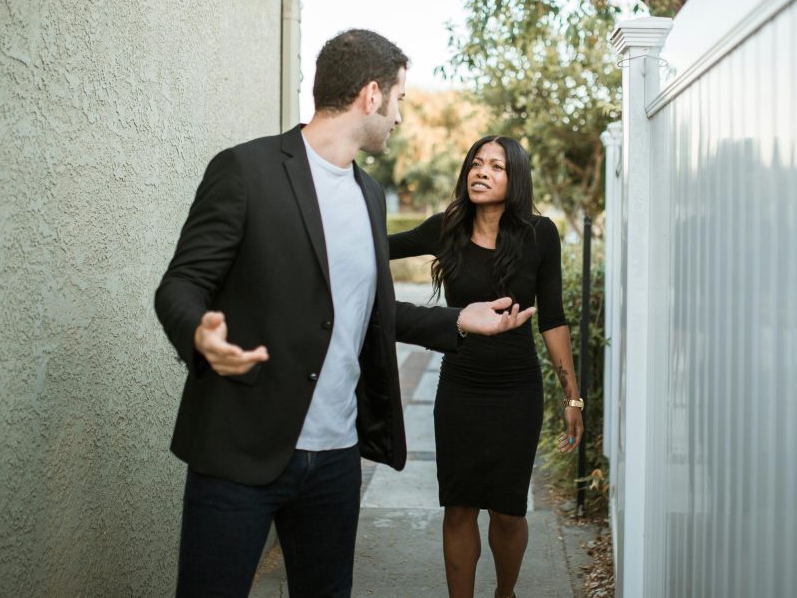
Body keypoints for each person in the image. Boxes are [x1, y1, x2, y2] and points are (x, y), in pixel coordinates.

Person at [154, 30, 536, 598]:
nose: (402, 118)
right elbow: (181, 283)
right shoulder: (245, 170)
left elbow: (371, 313)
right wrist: (198, 335)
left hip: (335, 457)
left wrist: (457, 320)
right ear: (372, 95)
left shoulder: (369, 194)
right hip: (240, 448)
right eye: (402, 101)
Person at [388, 135, 585, 598]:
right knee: (458, 507)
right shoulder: (447, 228)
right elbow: (375, 247)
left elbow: (552, 320)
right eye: (476, 164)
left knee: (507, 510)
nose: (481, 172)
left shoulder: (541, 234)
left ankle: (504, 593)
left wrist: (572, 396)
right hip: (460, 386)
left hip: (516, 389)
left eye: (496, 166)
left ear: (515, 178)